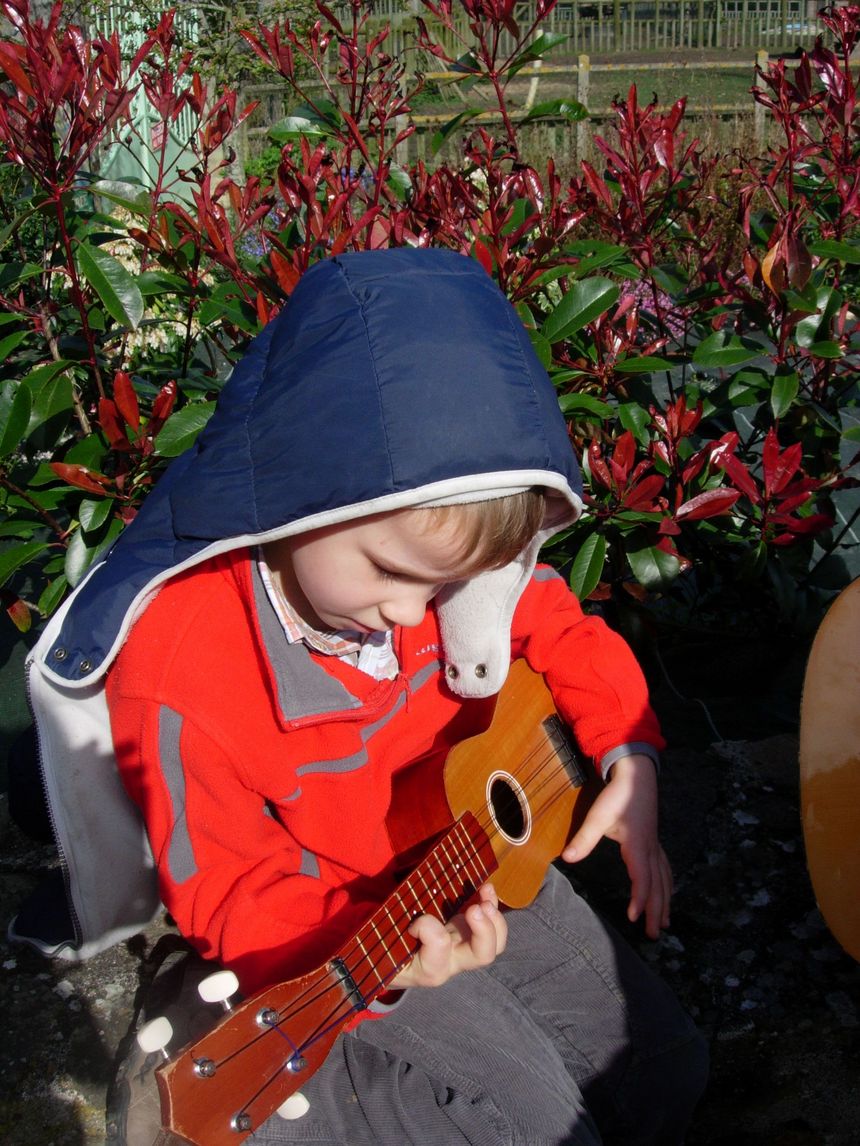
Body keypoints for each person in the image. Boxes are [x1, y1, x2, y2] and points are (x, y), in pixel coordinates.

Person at [20, 248, 707, 1144]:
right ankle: (201, 1024)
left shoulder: (448, 563)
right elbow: (231, 891)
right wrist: (389, 970)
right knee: (527, 1126)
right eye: (390, 572)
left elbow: (557, 622)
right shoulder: (183, 664)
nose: (414, 613)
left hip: (459, 849)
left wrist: (628, 748)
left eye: (451, 584)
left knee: (667, 1077)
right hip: (325, 929)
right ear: (296, 493)